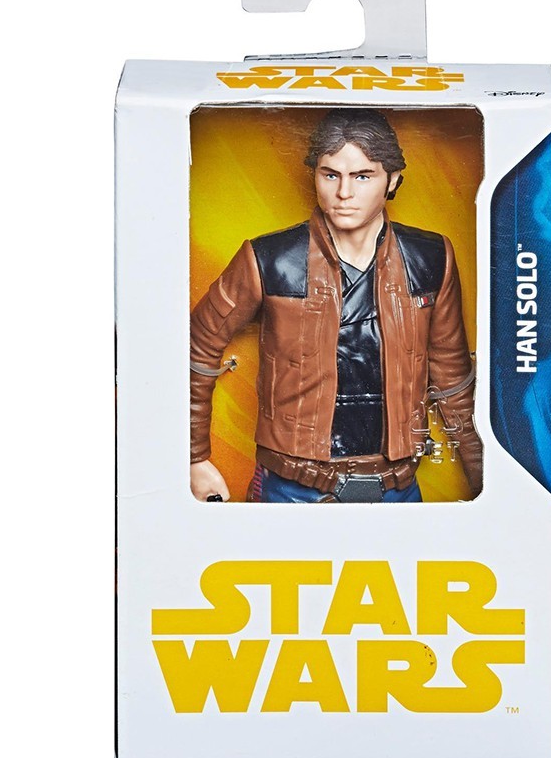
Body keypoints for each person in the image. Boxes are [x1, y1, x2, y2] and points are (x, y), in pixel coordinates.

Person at [189, 108, 483, 504]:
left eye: (362, 176)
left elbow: (452, 376)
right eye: (331, 175)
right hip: (292, 489)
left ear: (393, 179)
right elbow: (196, 345)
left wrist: (486, 478)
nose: (344, 193)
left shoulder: (429, 257)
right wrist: (194, 458)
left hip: (396, 489)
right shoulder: (269, 259)